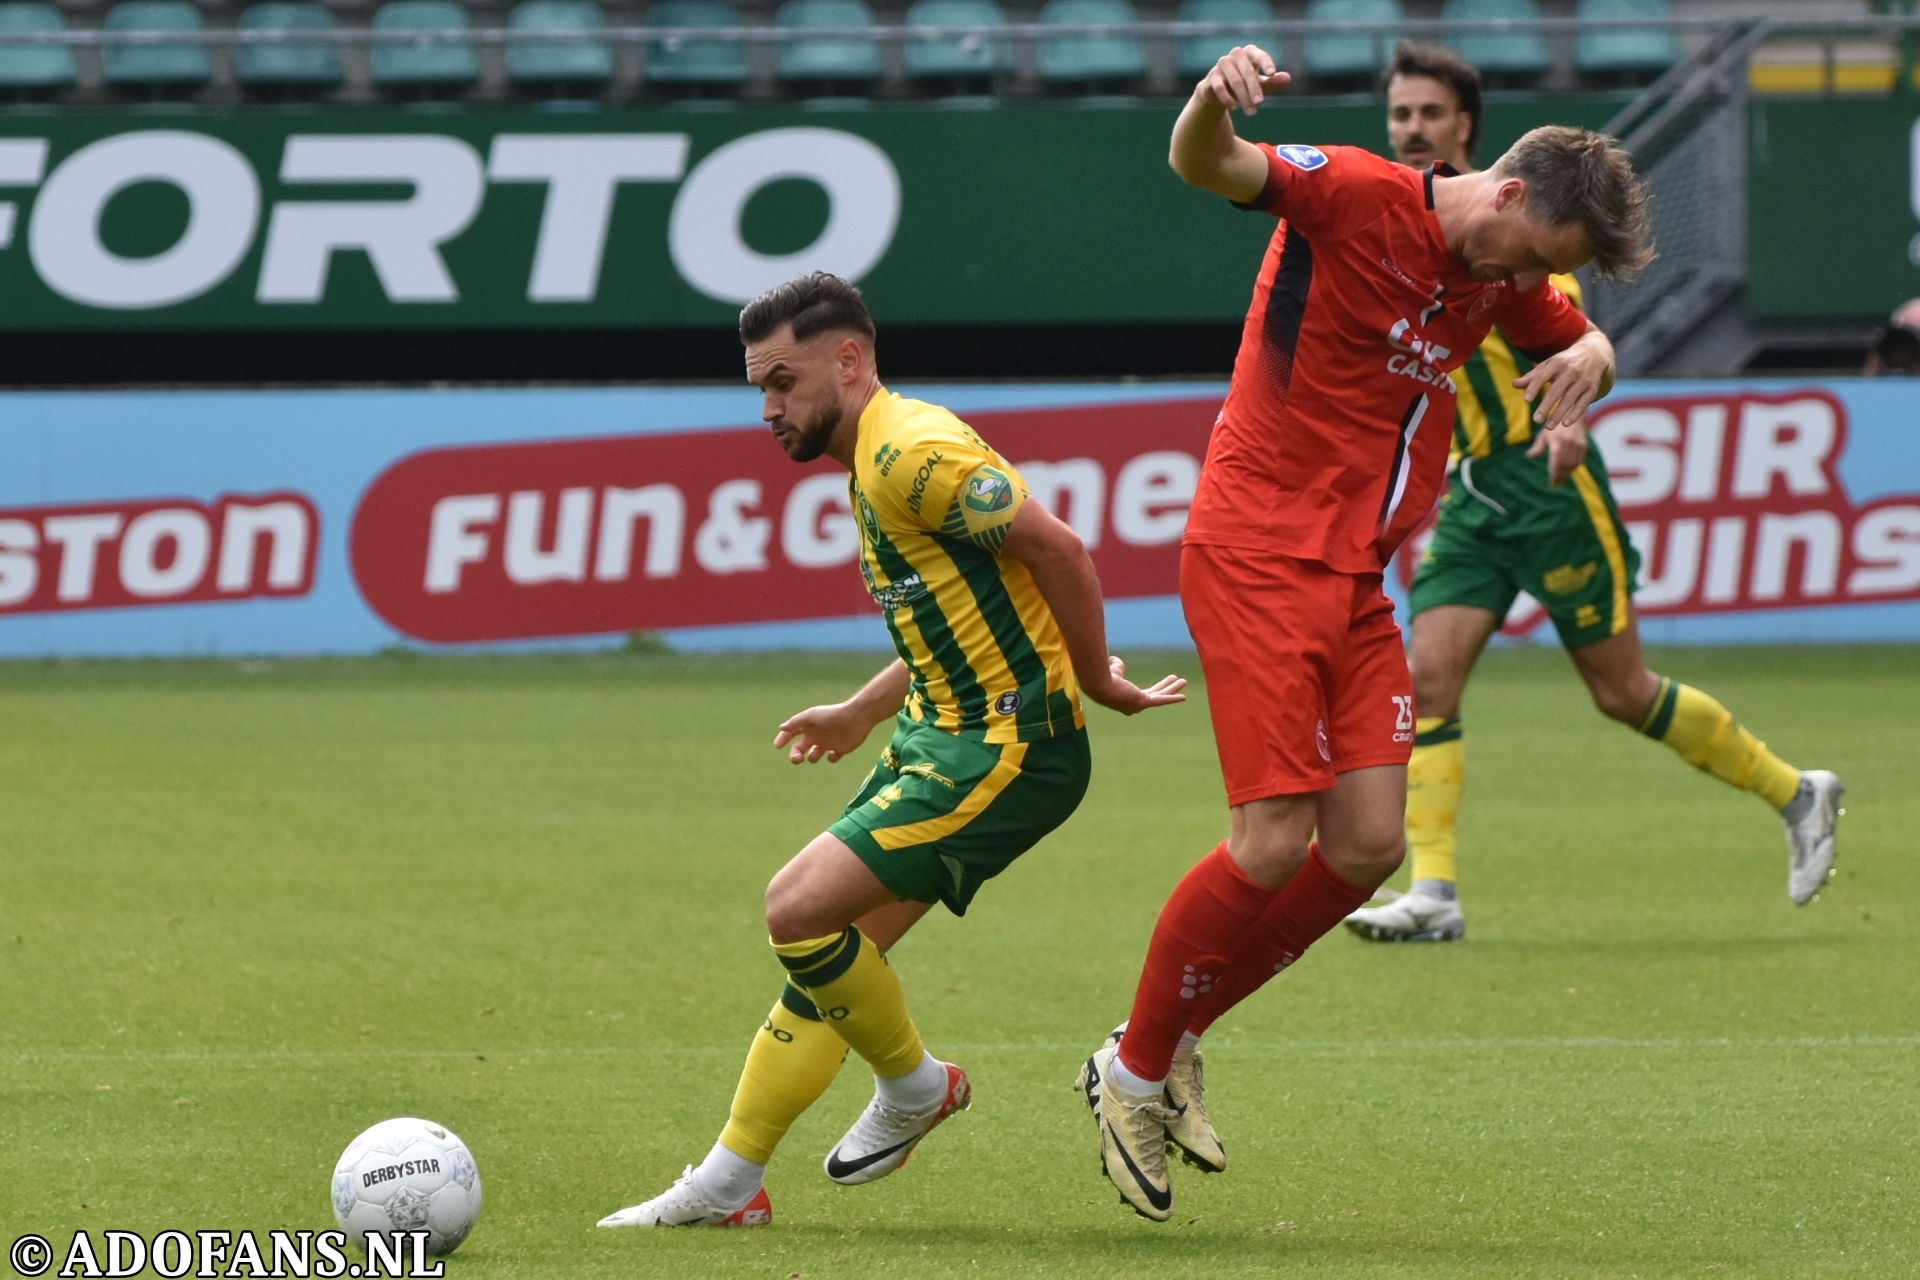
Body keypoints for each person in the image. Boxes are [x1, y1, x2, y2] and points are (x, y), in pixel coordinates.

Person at [1077, 45, 1653, 1223]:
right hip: (1252, 547)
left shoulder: (1502, 278)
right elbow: (1208, 165)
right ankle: (1131, 1071)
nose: (1536, 283)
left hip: (1354, 577)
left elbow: (1566, 335)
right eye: (1543, 257)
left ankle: (1167, 1038)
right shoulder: (1351, 190)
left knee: (1371, 843)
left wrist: (1595, 347)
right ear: (1505, 194)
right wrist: (1202, 101)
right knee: (1271, 840)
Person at [598, 272, 1187, 1228]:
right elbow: (955, 609)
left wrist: (1096, 680)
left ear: (848, 359)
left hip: (1006, 750)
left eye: (782, 381)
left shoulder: (910, 453)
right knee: (831, 964)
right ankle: (727, 1186)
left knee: (795, 910)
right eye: (759, 388)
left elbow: (1059, 551)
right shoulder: (874, 459)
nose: (770, 407)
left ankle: (916, 1088)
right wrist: (864, 711)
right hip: (940, 733)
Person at [1343, 42, 1844, 944]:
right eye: (1399, 114)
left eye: (1428, 115)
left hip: (1547, 488)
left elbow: (1564, 325)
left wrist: (1567, 416)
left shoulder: (1510, 230)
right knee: (1428, 681)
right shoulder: (1403, 215)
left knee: (1621, 692)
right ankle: (1436, 893)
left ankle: (1796, 791)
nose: (1411, 129)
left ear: (1466, 127)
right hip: (1471, 496)